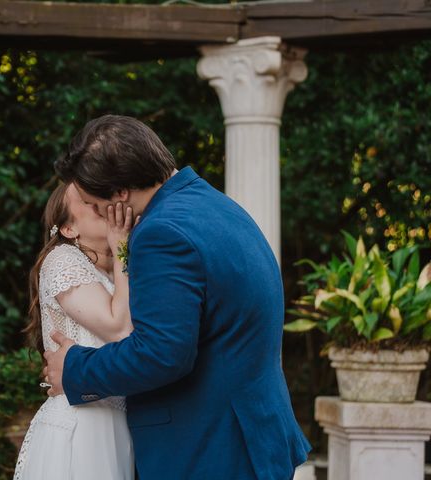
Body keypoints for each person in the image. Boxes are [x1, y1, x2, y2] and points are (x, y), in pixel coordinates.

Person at [44, 115, 311, 479]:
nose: (93, 213)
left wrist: (75, 369)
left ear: (119, 194)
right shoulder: (215, 205)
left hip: (210, 449)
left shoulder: (160, 234)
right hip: (251, 434)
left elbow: (162, 354)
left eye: (92, 203)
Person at [14, 182, 136, 479]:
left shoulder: (118, 268)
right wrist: (121, 244)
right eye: (85, 200)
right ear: (68, 229)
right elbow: (119, 329)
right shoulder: (62, 260)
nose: (99, 203)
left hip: (119, 427)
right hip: (81, 429)